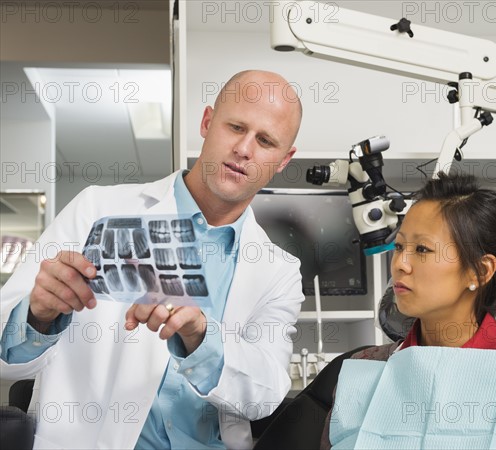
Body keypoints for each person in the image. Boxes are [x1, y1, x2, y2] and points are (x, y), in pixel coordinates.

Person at [0, 70, 304, 450]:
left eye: (265, 140)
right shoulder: (96, 208)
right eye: (236, 127)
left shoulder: (279, 271)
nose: (244, 149)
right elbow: (5, 358)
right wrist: (38, 316)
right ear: (207, 122)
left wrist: (199, 337)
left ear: (283, 159)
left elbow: (264, 396)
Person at [321, 172, 496, 449]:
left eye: (422, 249)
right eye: (400, 246)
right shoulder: (366, 369)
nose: (400, 263)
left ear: (480, 270)